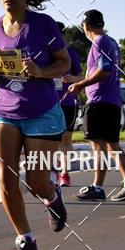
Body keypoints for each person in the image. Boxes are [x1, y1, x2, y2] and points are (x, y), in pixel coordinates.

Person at [0, 0, 71, 250]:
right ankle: (26, 240)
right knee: (5, 179)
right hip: (4, 110)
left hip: (41, 111)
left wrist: (41, 71)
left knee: (35, 183)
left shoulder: (44, 25)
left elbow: (64, 64)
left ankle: (52, 196)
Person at [68, 9, 125, 202]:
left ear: (86, 25)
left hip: (100, 102)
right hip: (112, 101)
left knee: (97, 145)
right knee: (112, 145)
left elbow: (104, 71)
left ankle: (98, 188)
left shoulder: (99, 42)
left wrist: (80, 85)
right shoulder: (112, 42)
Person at [54, 22, 83, 187]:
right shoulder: (43, 54)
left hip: (67, 103)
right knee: (49, 140)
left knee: (65, 139)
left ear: (63, 35)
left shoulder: (71, 53)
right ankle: (53, 172)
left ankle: (65, 173)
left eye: (58, 34)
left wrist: (71, 78)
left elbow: (82, 77)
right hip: (47, 104)